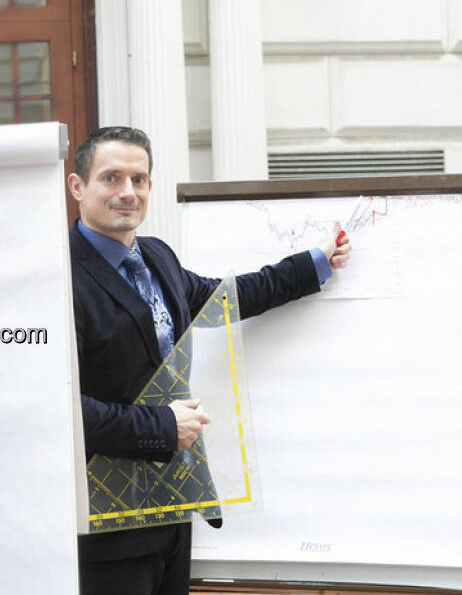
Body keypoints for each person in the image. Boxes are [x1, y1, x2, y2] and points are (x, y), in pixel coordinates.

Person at [68, 126, 349, 595]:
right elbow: (58, 408)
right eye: (111, 178)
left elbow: (228, 298)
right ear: (78, 186)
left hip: (174, 508)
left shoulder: (156, 256)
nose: (127, 192)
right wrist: (160, 427)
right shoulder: (59, 278)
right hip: (107, 523)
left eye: (139, 179)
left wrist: (314, 263)